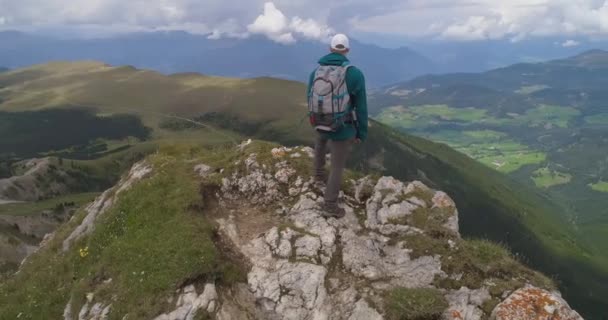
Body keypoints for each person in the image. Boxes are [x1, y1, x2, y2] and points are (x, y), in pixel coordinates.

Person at [307, 33, 368, 218]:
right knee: (337, 167)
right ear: (347, 50)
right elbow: (361, 106)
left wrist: (314, 119)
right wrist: (361, 132)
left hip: (319, 121)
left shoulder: (315, 72)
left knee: (320, 143)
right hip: (342, 126)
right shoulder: (354, 73)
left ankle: (317, 177)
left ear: (330, 48)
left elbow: (309, 98)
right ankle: (330, 205)